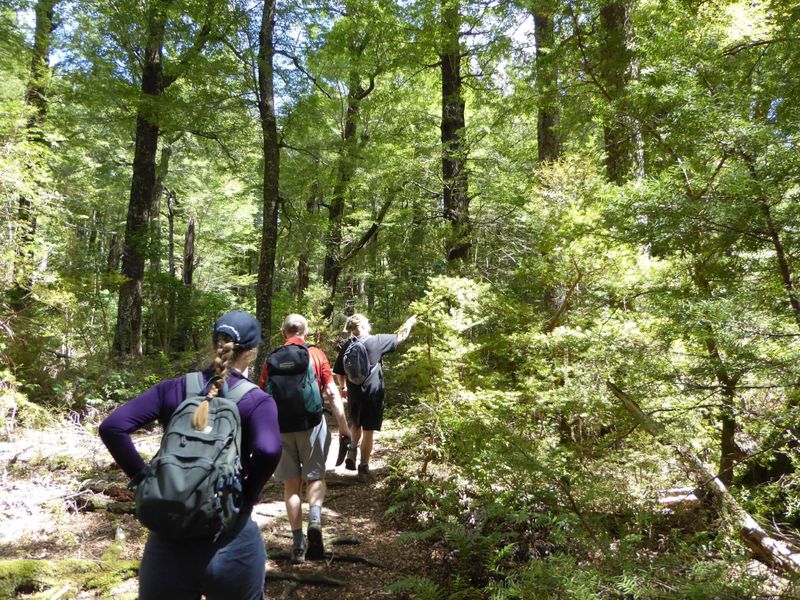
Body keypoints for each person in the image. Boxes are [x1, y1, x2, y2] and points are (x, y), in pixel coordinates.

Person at [99, 310, 282, 600]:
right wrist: (247, 494)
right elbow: (269, 449)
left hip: (168, 542)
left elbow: (113, 427)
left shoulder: (173, 389)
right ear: (252, 352)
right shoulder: (257, 401)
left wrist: (145, 478)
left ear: (213, 344)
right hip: (230, 540)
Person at [260, 314, 351, 564]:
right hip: (311, 424)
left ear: (283, 333)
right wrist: (344, 427)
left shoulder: (272, 358)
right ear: (306, 333)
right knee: (315, 477)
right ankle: (315, 521)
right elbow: (332, 392)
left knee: (291, 485)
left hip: (281, 428)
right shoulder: (316, 354)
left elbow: (262, 396)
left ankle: (298, 544)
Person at [333, 313, 416, 482]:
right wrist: (409, 322)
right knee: (368, 432)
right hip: (373, 394)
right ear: (364, 326)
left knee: (355, 425)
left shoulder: (348, 345)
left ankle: (351, 450)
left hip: (354, 394)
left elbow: (339, 372)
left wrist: (343, 389)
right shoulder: (377, 341)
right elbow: (401, 336)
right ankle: (363, 467)